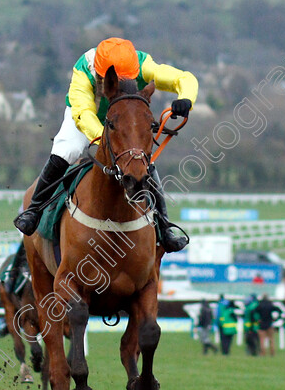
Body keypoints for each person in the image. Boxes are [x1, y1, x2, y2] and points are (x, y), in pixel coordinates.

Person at [13, 37, 197, 253]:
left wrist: (186, 99)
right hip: (84, 118)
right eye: (115, 80)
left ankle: (164, 227)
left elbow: (184, 78)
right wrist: (107, 138)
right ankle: (33, 211)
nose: (120, 84)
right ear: (100, 73)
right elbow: (84, 113)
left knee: (141, 159)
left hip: (124, 120)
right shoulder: (83, 70)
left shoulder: (143, 64)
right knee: (67, 150)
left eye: (126, 79)